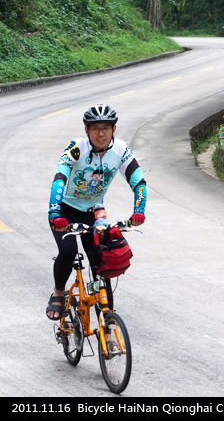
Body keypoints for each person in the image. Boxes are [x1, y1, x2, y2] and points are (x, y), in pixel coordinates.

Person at [46, 104, 146, 320]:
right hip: (65, 211)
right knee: (68, 251)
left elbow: (138, 182)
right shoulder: (76, 147)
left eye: (106, 128)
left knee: (102, 261)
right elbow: (60, 178)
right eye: (95, 128)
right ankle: (58, 292)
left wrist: (139, 211)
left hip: (93, 212)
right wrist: (55, 213)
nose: (101, 134)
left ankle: (107, 326)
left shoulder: (121, 150)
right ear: (87, 130)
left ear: (114, 129)